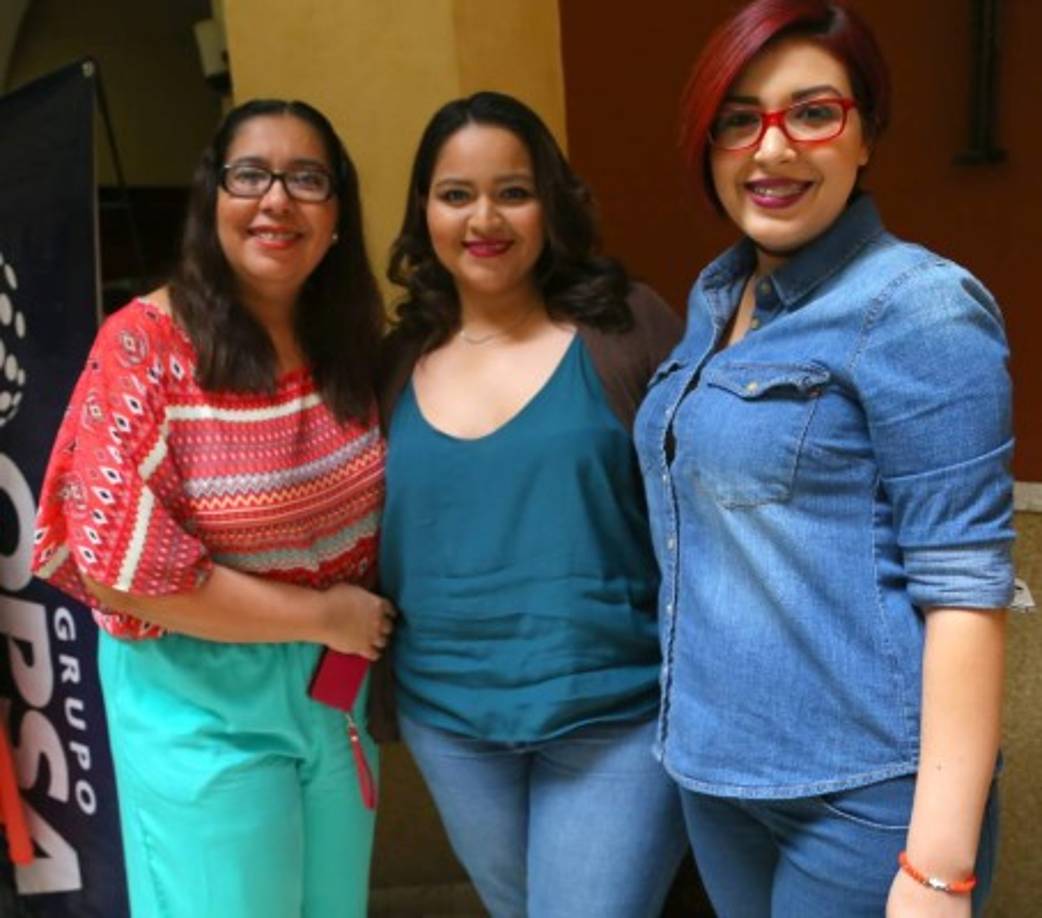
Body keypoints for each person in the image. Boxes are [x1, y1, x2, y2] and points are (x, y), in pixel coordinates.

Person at [634, 2, 1014, 915]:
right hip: (717, 775)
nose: (770, 149)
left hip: (860, 796)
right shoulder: (720, 292)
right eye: (739, 119)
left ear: (865, 135)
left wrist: (938, 871)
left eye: (812, 112)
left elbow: (965, 589)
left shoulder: (919, 307)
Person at [31, 99, 392, 918]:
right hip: (199, 701)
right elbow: (120, 573)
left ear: (338, 214)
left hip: (334, 694)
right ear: (212, 200)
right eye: (250, 175)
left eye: (308, 179)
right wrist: (323, 616)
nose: (277, 200)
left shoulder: (348, 338)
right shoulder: (145, 347)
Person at [379, 91, 688, 917]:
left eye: (513, 191)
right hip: (450, 719)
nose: (486, 218)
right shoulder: (394, 360)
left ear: (552, 202)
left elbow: (707, 505)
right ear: (425, 212)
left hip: (615, 711)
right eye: (456, 194)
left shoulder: (628, 329)